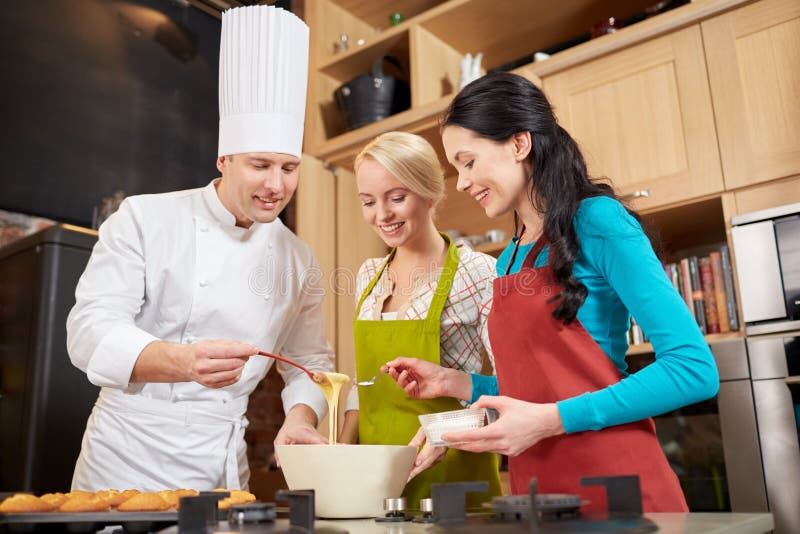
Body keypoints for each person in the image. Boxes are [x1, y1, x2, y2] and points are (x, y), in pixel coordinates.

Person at [382, 72, 719, 512]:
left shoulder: (598, 221)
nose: (461, 182)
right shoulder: (509, 260)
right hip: (538, 499)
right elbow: (538, 394)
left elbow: (694, 369)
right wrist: (456, 384)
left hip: (618, 492)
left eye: (468, 162)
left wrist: (549, 421)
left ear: (520, 144)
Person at [66, 5, 333, 492]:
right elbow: (87, 333)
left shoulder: (299, 260)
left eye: (289, 168)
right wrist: (183, 361)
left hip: (221, 464)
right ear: (223, 159)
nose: (276, 185)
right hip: (124, 456)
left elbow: (311, 364)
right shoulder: (145, 219)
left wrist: (300, 421)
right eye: (260, 165)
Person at [340, 131, 502, 510]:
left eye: (397, 198)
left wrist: (443, 434)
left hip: (455, 481)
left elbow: (510, 392)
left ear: (430, 192)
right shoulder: (369, 276)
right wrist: (340, 452)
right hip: (378, 482)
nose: (382, 215)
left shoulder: (478, 273)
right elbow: (364, 387)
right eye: (368, 201)